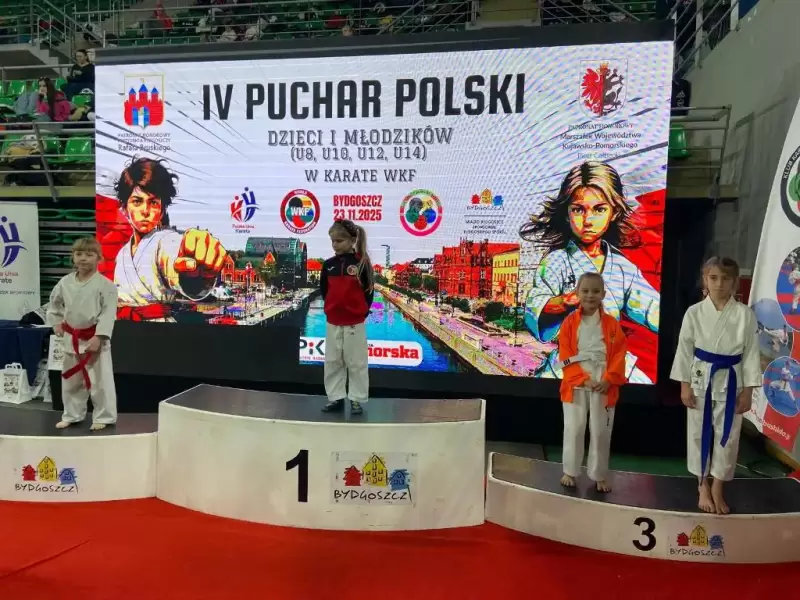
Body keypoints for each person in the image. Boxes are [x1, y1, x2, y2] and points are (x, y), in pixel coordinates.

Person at [520, 161, 659, 383]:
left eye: (599, 209)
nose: (588, 220)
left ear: (614, 212)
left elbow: (652, 307)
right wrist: (566, 301)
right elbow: (535, 305)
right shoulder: (557, 261)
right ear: (566, 213)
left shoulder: (623, 267)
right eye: (578, 209)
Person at [670, 257, 760, 514]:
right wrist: (684, 385)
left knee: (728, 436)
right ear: (705, 280)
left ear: (734, 283)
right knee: (697, 433)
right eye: (713, 278)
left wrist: (749, 391)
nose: (719, 284)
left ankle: (718, 485)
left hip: (732, 380)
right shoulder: (694, 312)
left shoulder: (745, 315)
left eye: (725, 279)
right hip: (700, 378)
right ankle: (702, 484)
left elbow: (751, 354)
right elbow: (684, 351)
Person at [111, 157, 227, 321]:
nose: (145, 211)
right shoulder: (122, 254)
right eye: (137, 201)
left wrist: (192, 274)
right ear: (124, 208)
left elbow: (173, 257)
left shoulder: (165, 241)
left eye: (153, 202)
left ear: (162, 210)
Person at [557, 272, 627, 492]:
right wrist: (582, 380)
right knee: (574, 428)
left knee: (600, 431)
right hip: (576, 382)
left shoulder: (612, 324)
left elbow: (619, 354)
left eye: (596, 291)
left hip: (603, 380)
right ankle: (570, 470)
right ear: (577, 293)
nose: (590, 295)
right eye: (585, 291)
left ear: (603, 294)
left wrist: (609, 379)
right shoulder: (569, 323)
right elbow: (565, 355)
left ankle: (599, 474)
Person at [47, 237, 118, 431]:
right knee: (71, 382)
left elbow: (108, 313)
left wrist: (100, 336)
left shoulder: (106, 285)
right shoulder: (65, 282)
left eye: (89, 254)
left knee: (100, 382)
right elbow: (54, 304)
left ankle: (104, 416)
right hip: (72, 338)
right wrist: (56, 323)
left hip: (94, 339)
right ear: (73, 257)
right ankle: (72, 414)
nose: (83, 258)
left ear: (99, 258)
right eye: (79, 254)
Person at [321, 219, 374, 415]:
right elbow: (324, 291)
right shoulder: (328, 265)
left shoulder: (362, 263)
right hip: (333, 322)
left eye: (339, 241)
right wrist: (331, 309)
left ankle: (356, 400)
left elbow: (369, 292)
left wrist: (361, 312)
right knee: (333, 361)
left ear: (352, 240)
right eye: (333, 241)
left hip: (354, 323)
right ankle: (335, 397)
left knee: (357, 363)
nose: (335, 245)